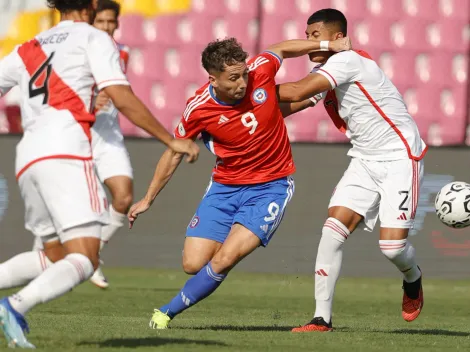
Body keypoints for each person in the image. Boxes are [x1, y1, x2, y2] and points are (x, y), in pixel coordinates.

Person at [0, 0, 198, 348]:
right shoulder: (93, 38)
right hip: (66, 152)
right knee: (85, 259)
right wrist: (171, 140)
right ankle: (15, 306)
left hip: (28, 156)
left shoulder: (28, 47)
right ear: (91, 5)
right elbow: (121, 95)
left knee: (55, 256)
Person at [127, 36, 351, 329]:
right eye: (233, 78)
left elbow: (281, 49)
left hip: (271, 187)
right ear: (213, 79)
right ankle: (211, 274)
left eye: (244, 73)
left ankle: (165, 313)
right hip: (224, 188)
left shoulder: (260, 70)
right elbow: (174, 153)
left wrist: (326, 45)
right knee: (193, 265)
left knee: (224, 259)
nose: (243, 82)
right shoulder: (198, 109)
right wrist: (148, 198)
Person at [276, 9, 427, 332]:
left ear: (338, 37)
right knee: (332, 229)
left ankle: (412, 278)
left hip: (400, 158)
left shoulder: (348, 62)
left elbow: (295, 91)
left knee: (392, 248)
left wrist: (251, 91)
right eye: (306, 34)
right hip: (364, 159)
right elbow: (292, 105)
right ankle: (321, 318)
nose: (308, 41)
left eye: (315, 35)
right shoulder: (328, 69)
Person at [32, 0, 131, 289]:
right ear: (90, 20)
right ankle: (44, 256)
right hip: (75, 131)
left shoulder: (121, 51)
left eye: (112, 22)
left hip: (107, 133)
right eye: (102, 22)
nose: (108, 27)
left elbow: (117, 89)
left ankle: (92, 256)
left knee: (122, 198)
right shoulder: (71, 48)